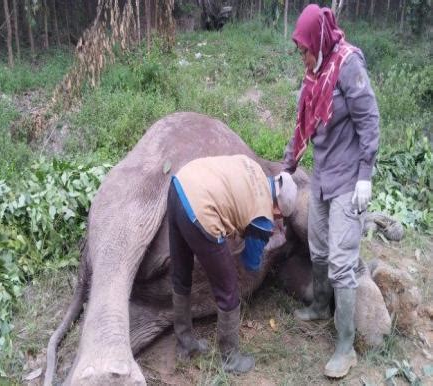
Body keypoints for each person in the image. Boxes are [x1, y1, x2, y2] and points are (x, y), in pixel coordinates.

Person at [281, 4, 380, 379]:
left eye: (305, 50)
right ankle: (321, 306)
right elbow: (302, 126)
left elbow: (369, 119)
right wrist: (286, 169)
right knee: (318, 247)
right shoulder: (316, 73)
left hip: (348, 181)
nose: (303, 58)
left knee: (341, 259)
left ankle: (346, 345)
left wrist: (365, 176)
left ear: (319, 41)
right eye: (299, 51)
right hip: (322, 176)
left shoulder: (348, 65)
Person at [168, 154, 297, 374]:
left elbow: (233, 195)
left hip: (179, 186)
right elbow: (250, 264)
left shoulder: (255, 169)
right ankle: (230, 359)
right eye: (278, 217)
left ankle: (185, 344)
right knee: (228, 290)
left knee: (181, 272)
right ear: (277, 210)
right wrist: (258, 243)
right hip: (201, 210)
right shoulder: (263, 218)